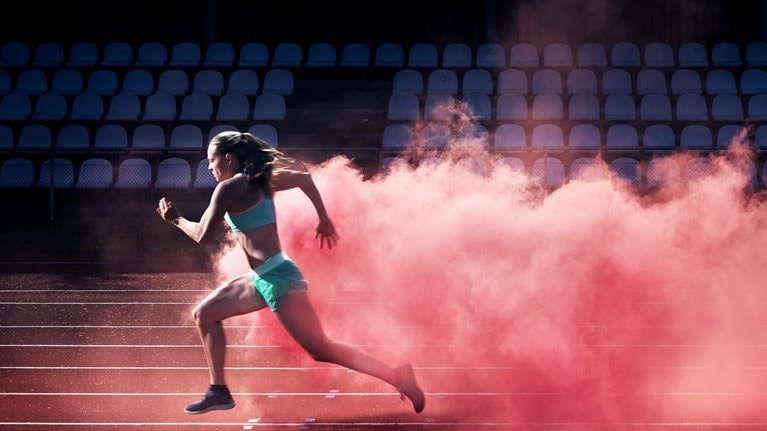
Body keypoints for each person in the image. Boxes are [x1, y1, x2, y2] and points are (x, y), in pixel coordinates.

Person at [156, 131, 425, 415]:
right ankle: (219, 390)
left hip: (278, 279)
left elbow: (202, 235)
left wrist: (176, 220)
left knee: (321, 349)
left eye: (211, 161)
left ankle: (398, 375)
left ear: (228, 158)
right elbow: (303, 177)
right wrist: (323, 218)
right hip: (263, 277)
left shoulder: (229, 189)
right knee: (205, 314)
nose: (209, 168)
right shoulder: (261, 180)